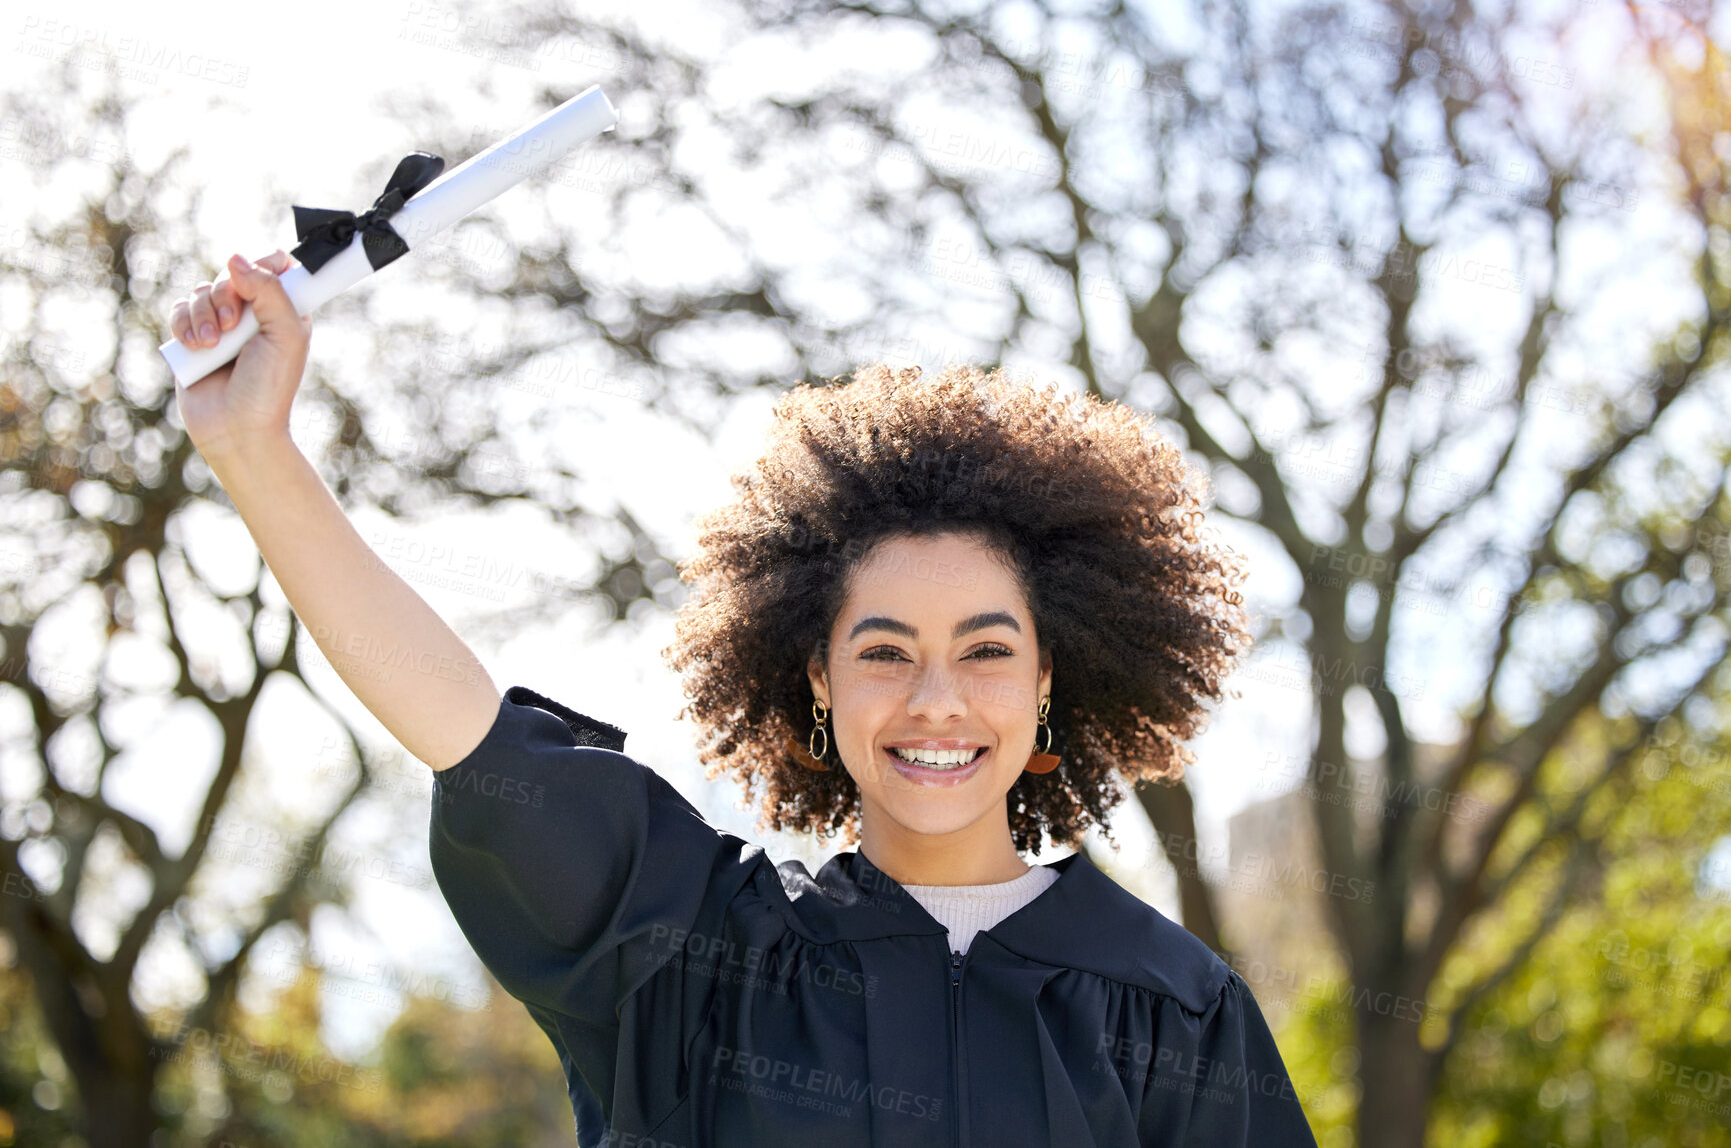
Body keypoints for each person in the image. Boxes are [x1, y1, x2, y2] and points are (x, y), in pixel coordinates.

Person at [170, 251, 1321, 1147]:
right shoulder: (700, 962)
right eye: (882, 652)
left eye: (984, 652)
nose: (935, 701)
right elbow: (465, 731)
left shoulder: (1172, 1007)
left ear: (1048, 679)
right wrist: (253, 450)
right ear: (816, 679)